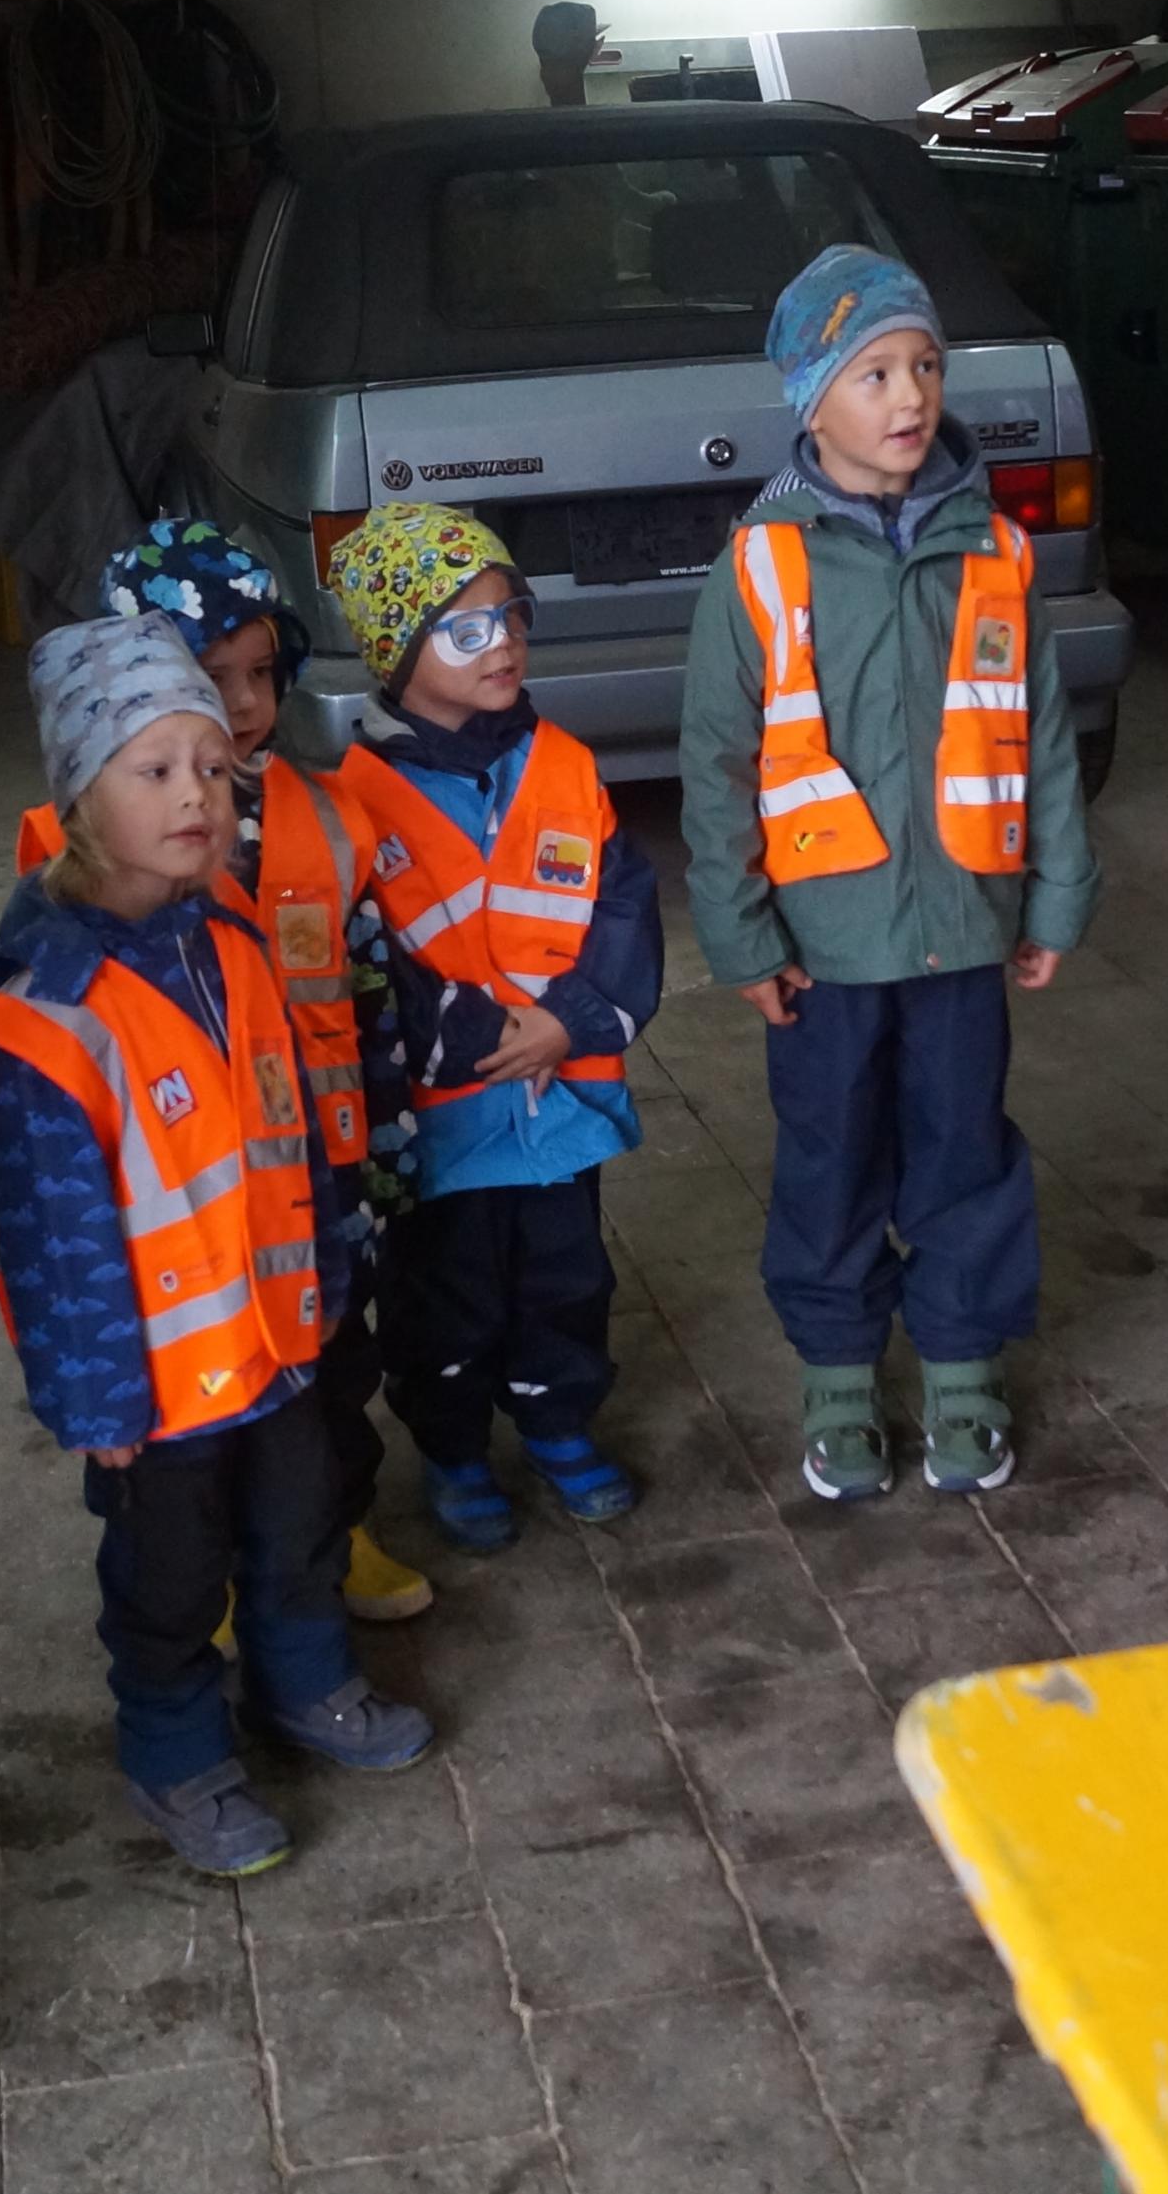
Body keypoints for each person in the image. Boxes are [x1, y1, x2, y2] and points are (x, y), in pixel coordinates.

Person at [0, 618, 436, 1872]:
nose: (197, 797)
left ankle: (304, 1682)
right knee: (167, 1579)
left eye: (212, 769)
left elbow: (293, 1135)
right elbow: (53, 1238)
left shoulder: (234, 945)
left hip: (279, 1343)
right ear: (77, 801)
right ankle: (175, 1751)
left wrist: (326, 1278)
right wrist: (92, 1396)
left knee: (300, 1526)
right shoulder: (46, 1015)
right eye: (153, 770)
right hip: (155, 1389)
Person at [679, 245, 1104, 1501]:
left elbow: (1043, 737)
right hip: (824, 948)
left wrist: (1056, 895)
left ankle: (964, 1363)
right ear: (811, 403)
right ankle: (838, 1373)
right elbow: (715, 766)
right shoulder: (762, 566)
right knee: (830, 1160)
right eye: (874, 374)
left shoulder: (997, 554)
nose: (911, 395)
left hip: (965, 928)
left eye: (925, 366)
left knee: (964, 1149)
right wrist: (742, 939)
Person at [15, 518, 435, 1627]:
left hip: (317, 1176)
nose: (244, 704)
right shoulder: (68, 857)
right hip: (183, 1204)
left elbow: (372, 994)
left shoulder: (328, 817)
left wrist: (388, 1149)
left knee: (331, 1368)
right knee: (184, 1414)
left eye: (262, 672)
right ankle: (200, 1585)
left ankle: (335, 1536)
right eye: (214, 675)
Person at [324, 503, 662, 1550]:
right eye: (465, 629)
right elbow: (370, 965)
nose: (502, 643)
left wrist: (572, 1019)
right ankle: (455, 1449)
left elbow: (623, 904)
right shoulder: (354, 803)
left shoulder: (564, 764)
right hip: (445, 1124)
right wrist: (487, 1038)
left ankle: (559, 1423)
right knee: (443, 1297)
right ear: (395, 652)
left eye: (512, 616)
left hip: (561, 1106)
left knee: (567, 1279)